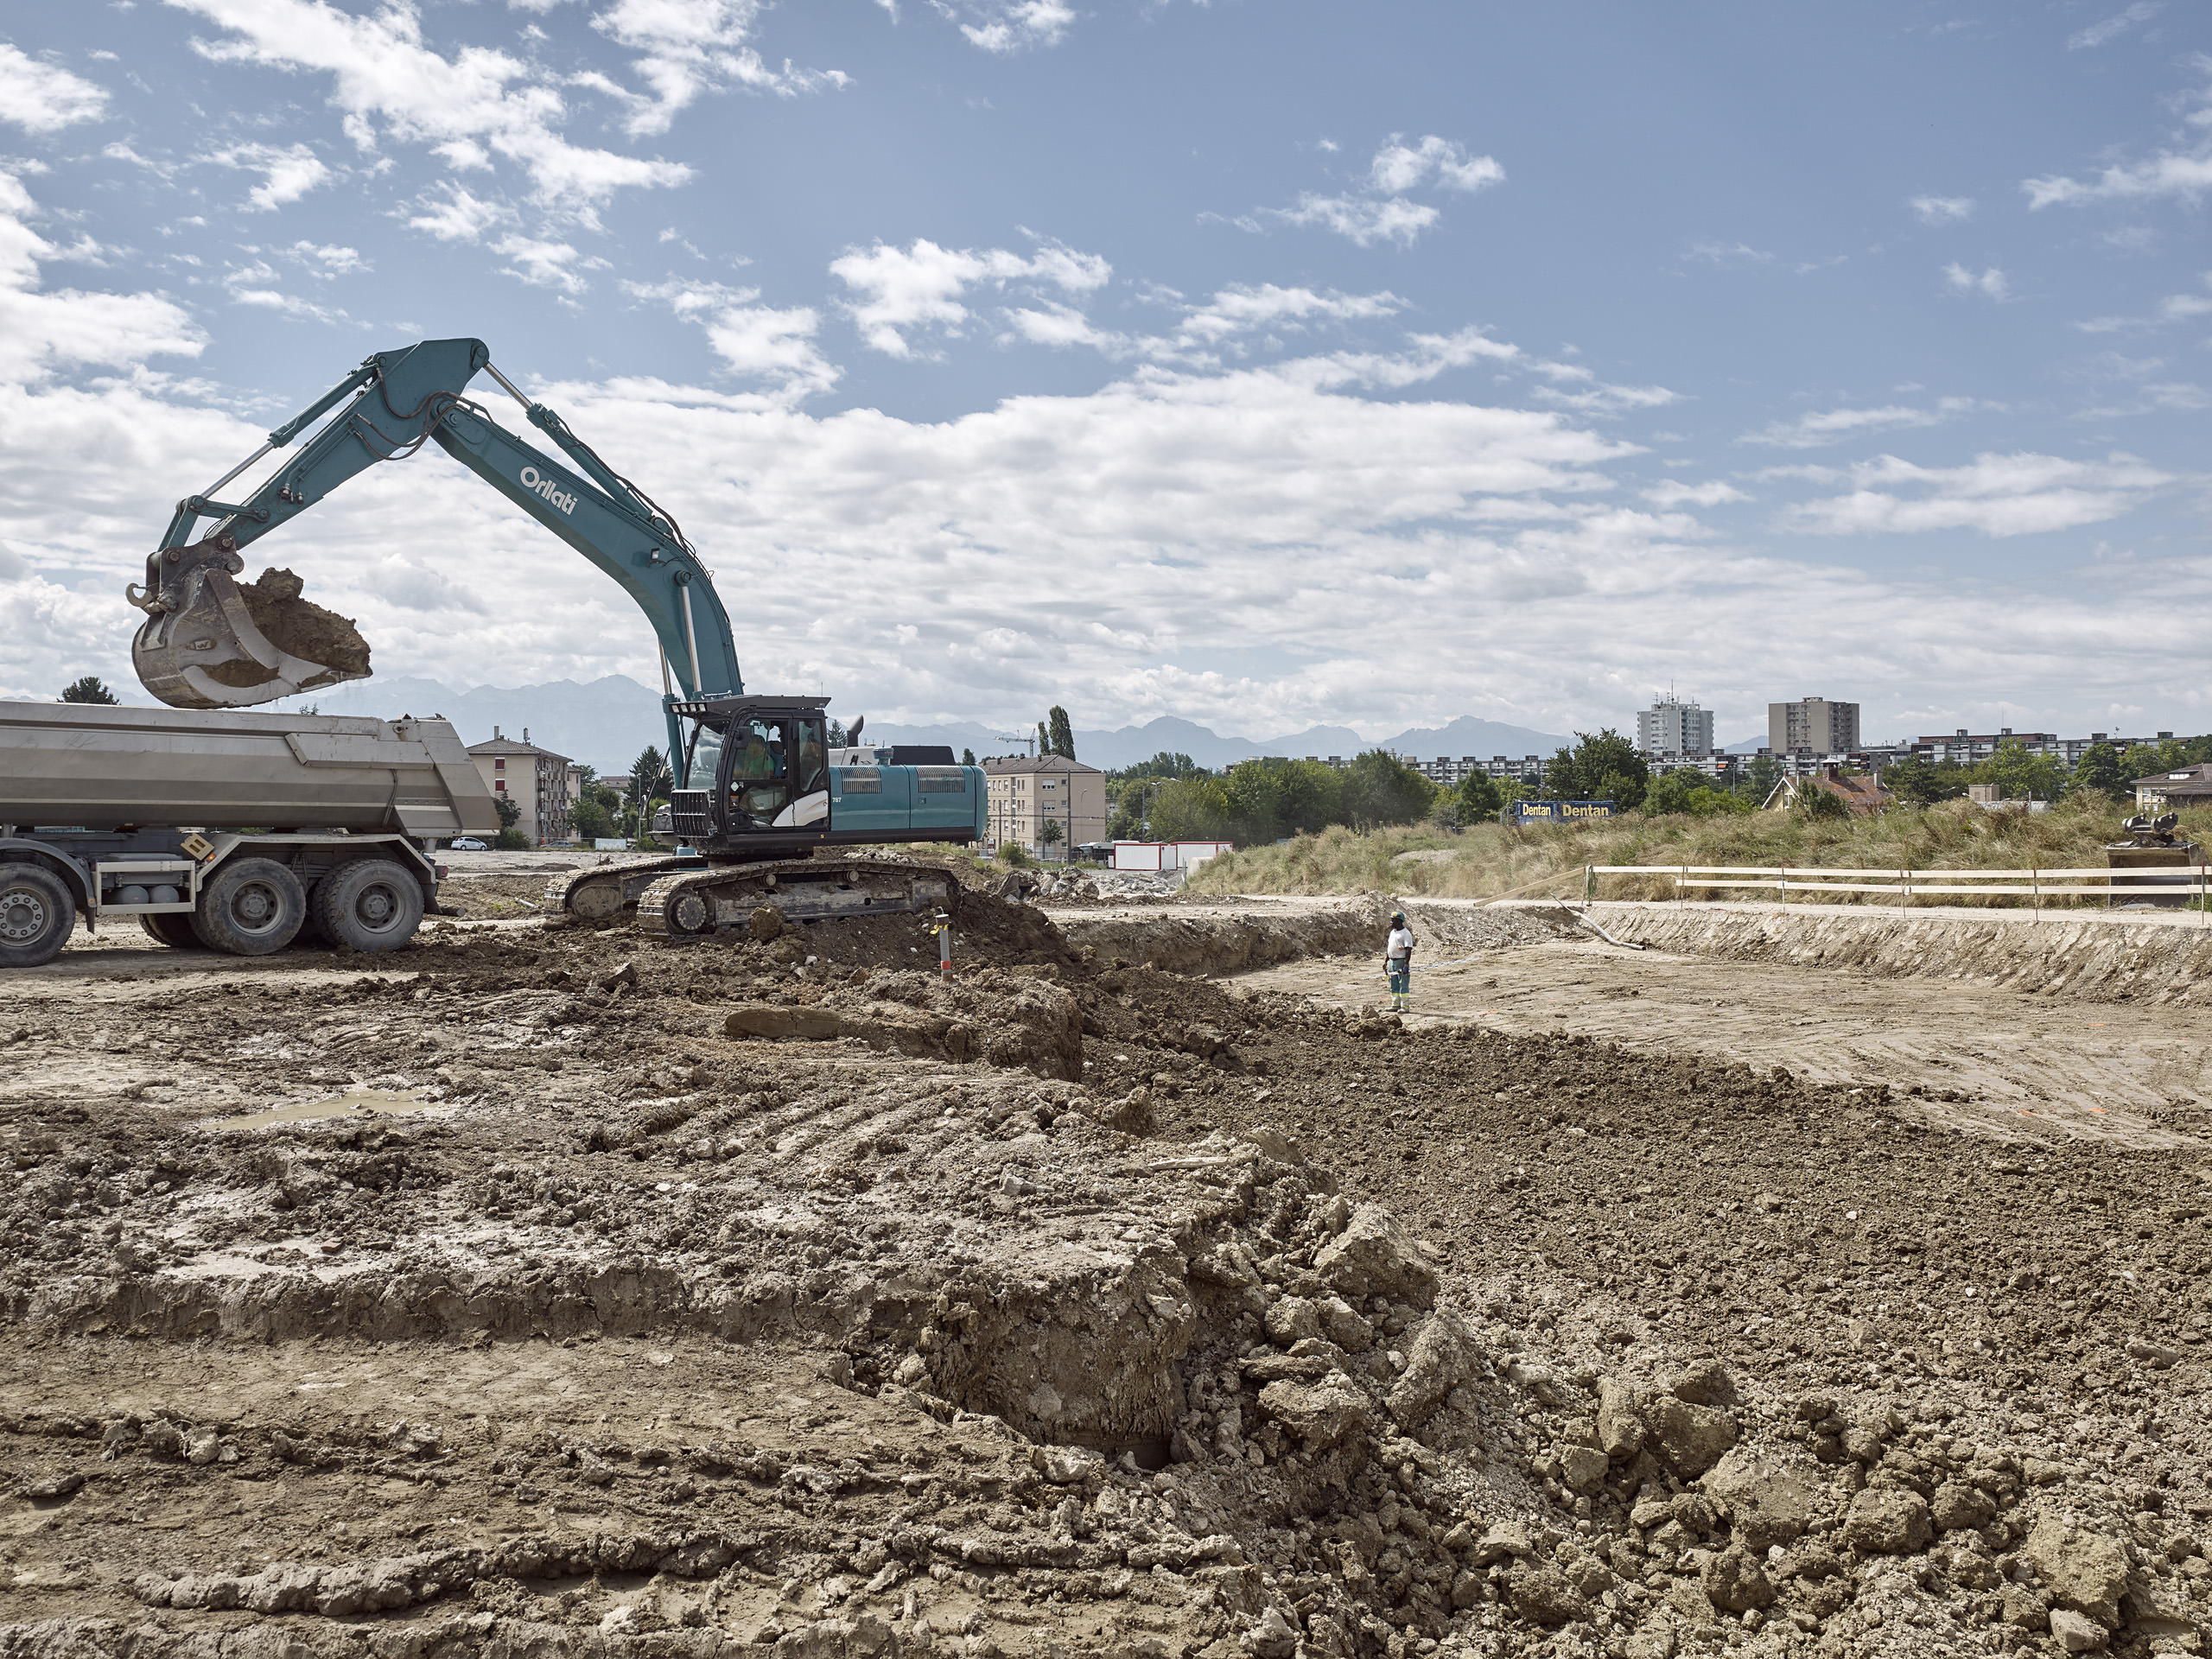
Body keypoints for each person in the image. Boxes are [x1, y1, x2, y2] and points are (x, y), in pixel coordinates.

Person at [1384, 910, 1414, 1014]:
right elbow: (1390, 948)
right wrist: (1386, 961)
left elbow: (1408, 950)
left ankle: (1405, 1007)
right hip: (1392, 962)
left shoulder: (1406, 934)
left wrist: (1406, 964)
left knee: (1403, 984)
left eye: (1393, 921)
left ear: (1399, 921)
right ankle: (1395, 1005)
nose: (1391, 923)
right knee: (1394, 984)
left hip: (1401, 961)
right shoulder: (1393, 933)